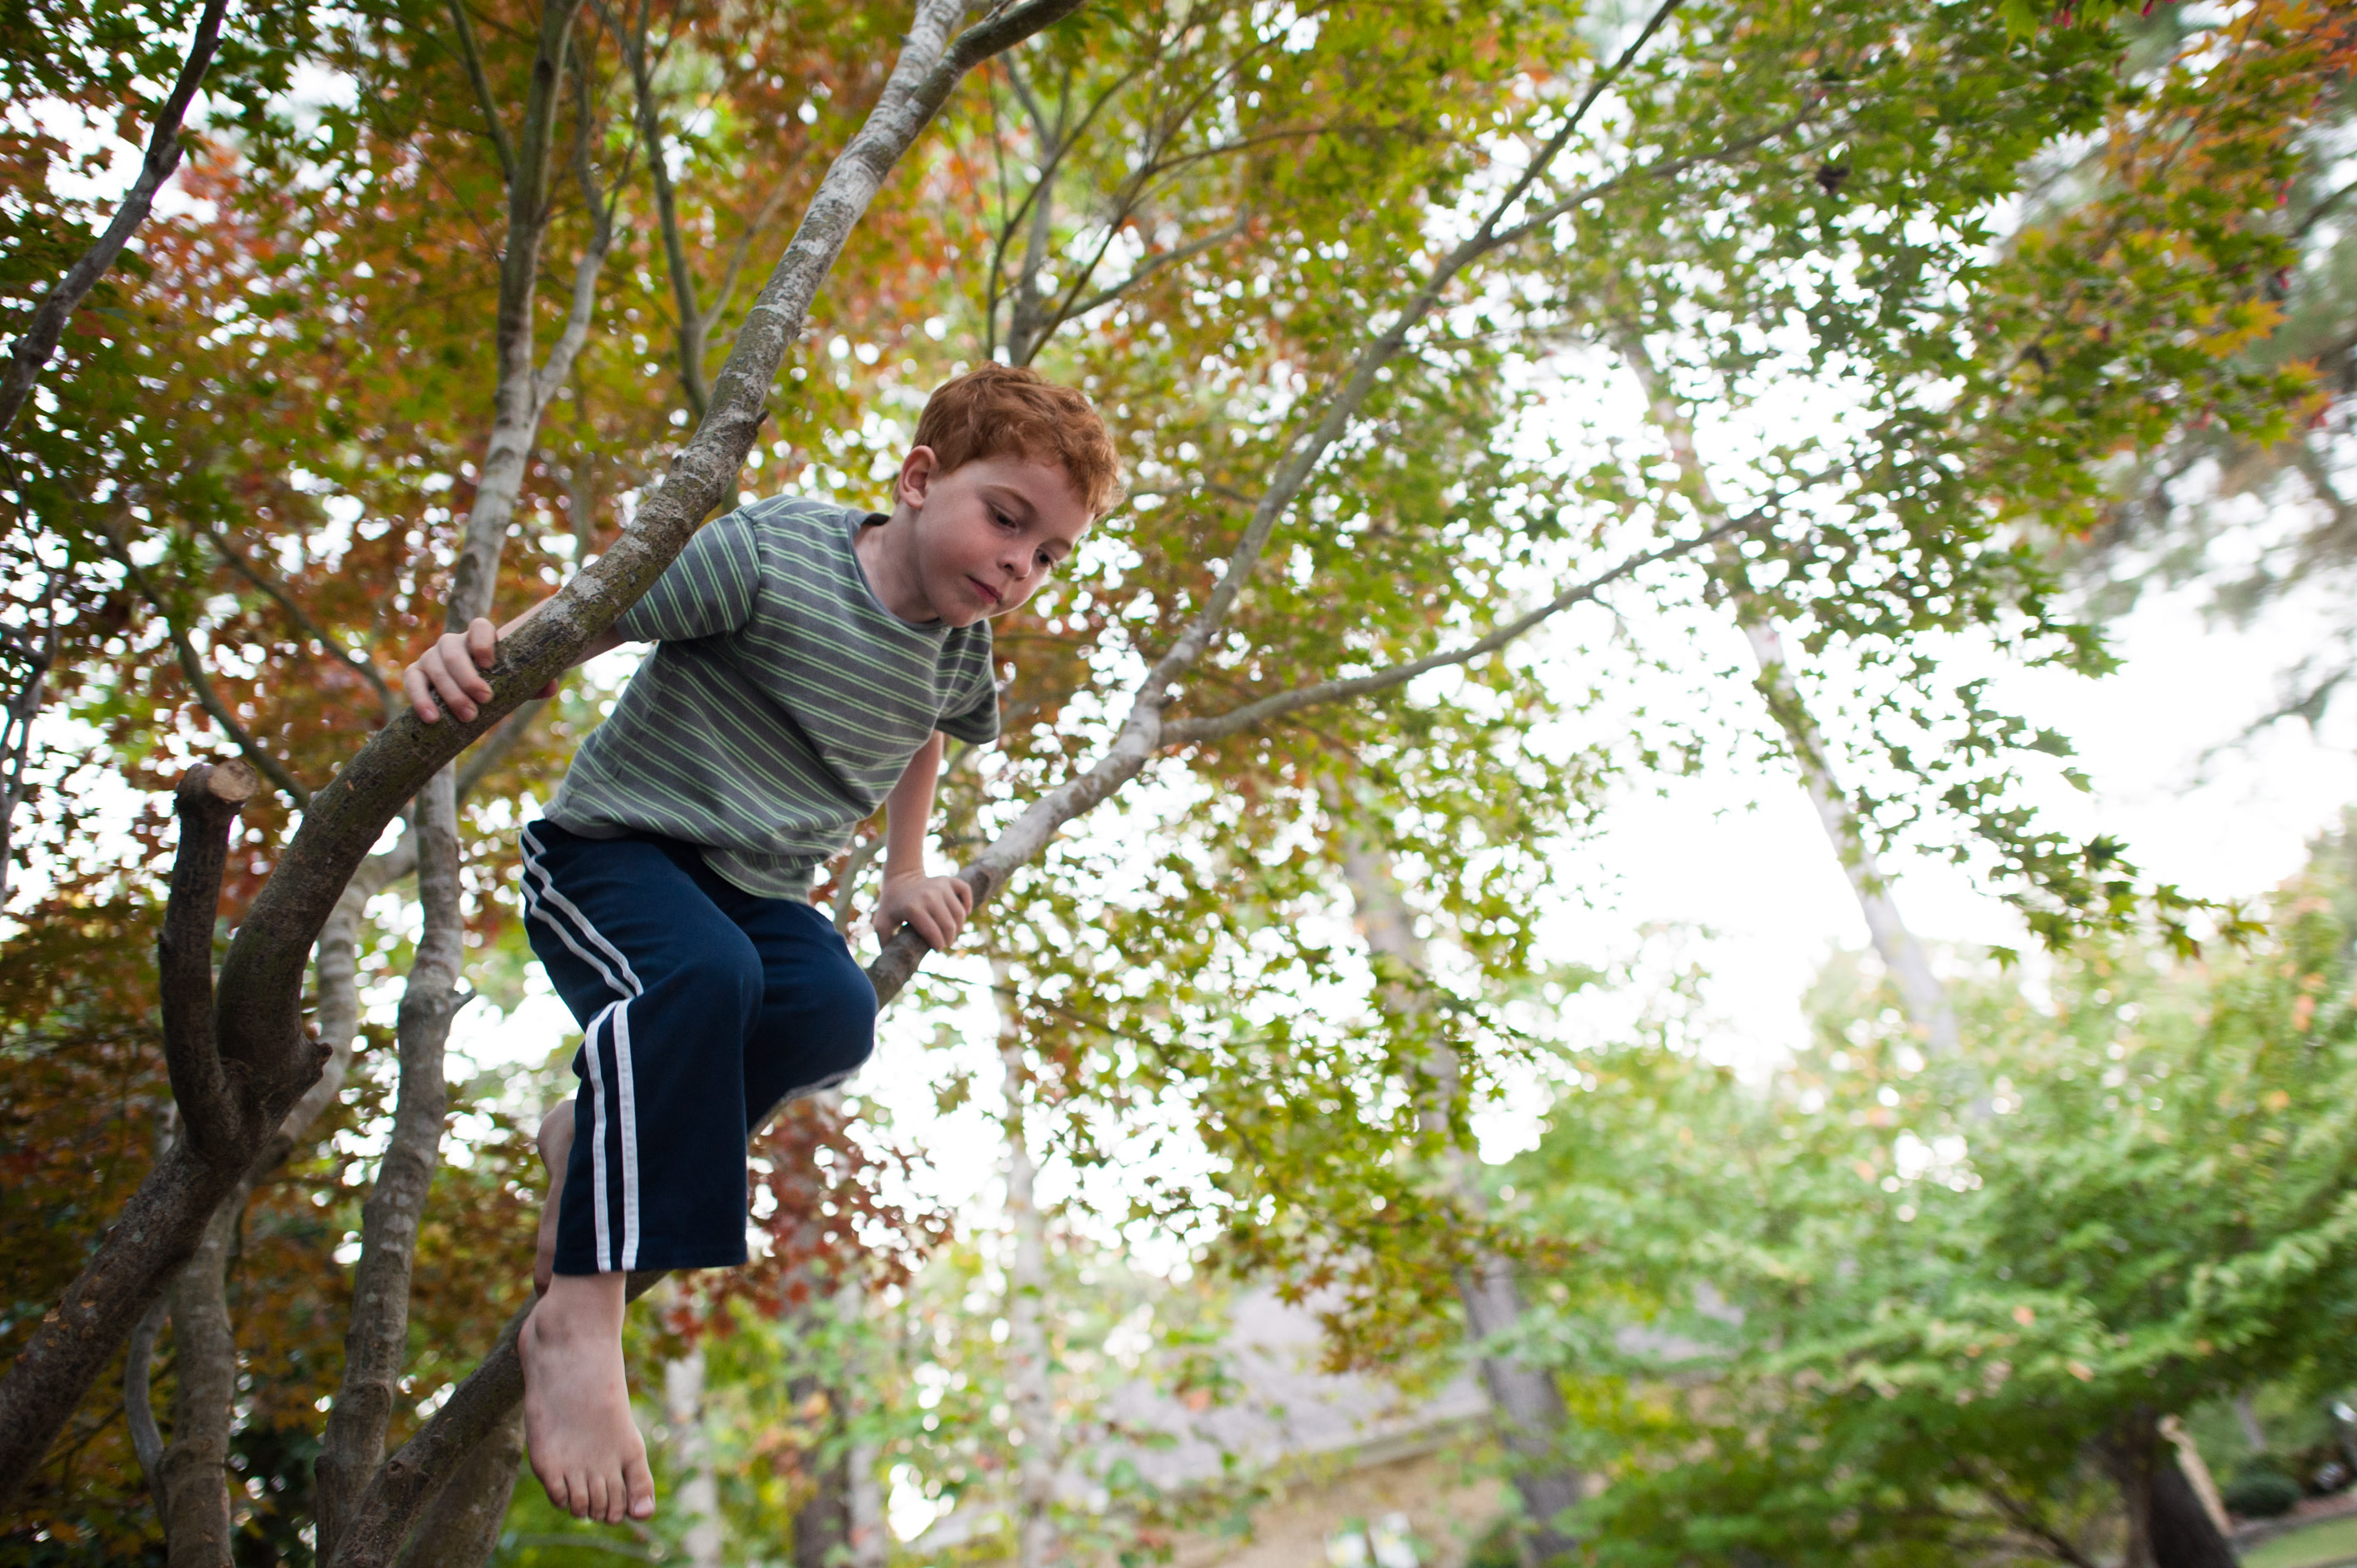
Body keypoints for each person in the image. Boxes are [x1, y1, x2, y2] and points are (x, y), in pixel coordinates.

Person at [402, 365, 1120, 1525]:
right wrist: (478, 657)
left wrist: (903, 868)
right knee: (706, 976)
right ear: (921, 478)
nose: (1018, 566)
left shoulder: (954, 649)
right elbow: (603, 611)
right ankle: (579, 1317)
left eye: (1047, 556)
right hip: (618, 853)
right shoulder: (778, 551)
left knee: (833, 1014)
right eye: (1006, 518)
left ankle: (597, 1132)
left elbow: (922, 737)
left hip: (759, 896)